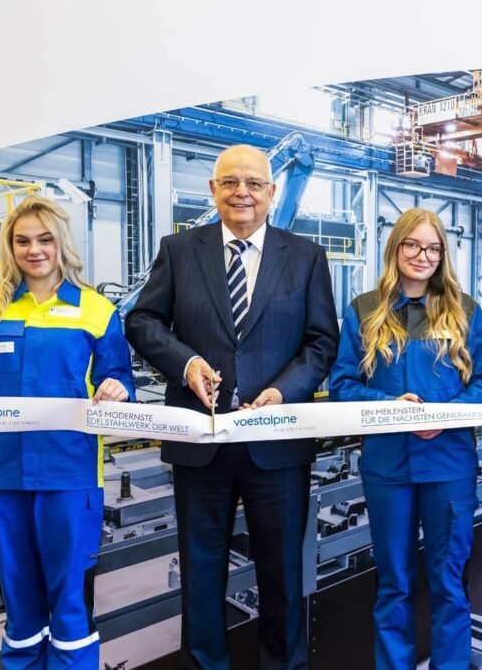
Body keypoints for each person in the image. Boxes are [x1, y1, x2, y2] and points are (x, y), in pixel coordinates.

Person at [124, 144, 339, 669]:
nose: (242, 192)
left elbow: (321, 342)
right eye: (230, 182)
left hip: (277, 444)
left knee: (283, 579)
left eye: (253, 183)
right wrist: (187, 363)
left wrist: (284, 392)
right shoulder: (179, 250)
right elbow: (143, 322)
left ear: (271, 192)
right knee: (201, 578)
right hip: (202, 442)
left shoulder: (306, 257)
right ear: (213, 191)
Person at [0, 196, 135, 668]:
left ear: (62, 243)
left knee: (70, 611)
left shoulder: (95, 309)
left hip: (70, 477)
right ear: (10, 245)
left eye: (44, 239)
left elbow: (120, 376)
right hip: (0, 477)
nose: (34, 250)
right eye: (22, 240)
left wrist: (117, 388)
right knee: (20, 613)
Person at [329, 208, 482, 669]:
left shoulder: (463, 310)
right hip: (388, 466)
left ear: (442, 253)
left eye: (432, 247)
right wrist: (391, 407)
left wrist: (446, 416)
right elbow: (342, 385)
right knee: (394, 584)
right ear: (396, 248)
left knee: (448, 583)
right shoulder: (364, 311)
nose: (422, 256)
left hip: (448, 464)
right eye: (413, 245)